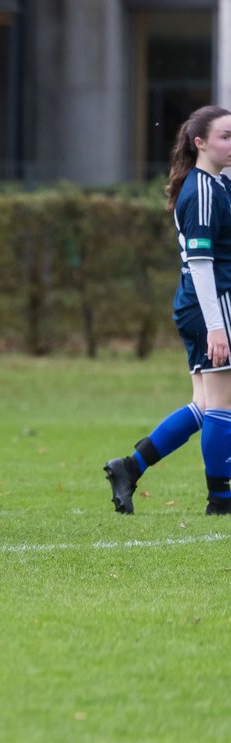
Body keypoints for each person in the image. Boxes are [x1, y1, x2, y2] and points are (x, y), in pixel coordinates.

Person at [104, 105, 231, 514]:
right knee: (223, 405)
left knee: (207, 405)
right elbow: (201, 265)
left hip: (200, 306)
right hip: (210, 306)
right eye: (225, 136)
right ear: (200, 143)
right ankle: (221, 500)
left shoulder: (215, 183)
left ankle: (130, 466)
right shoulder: (204, 190)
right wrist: (216, 327)